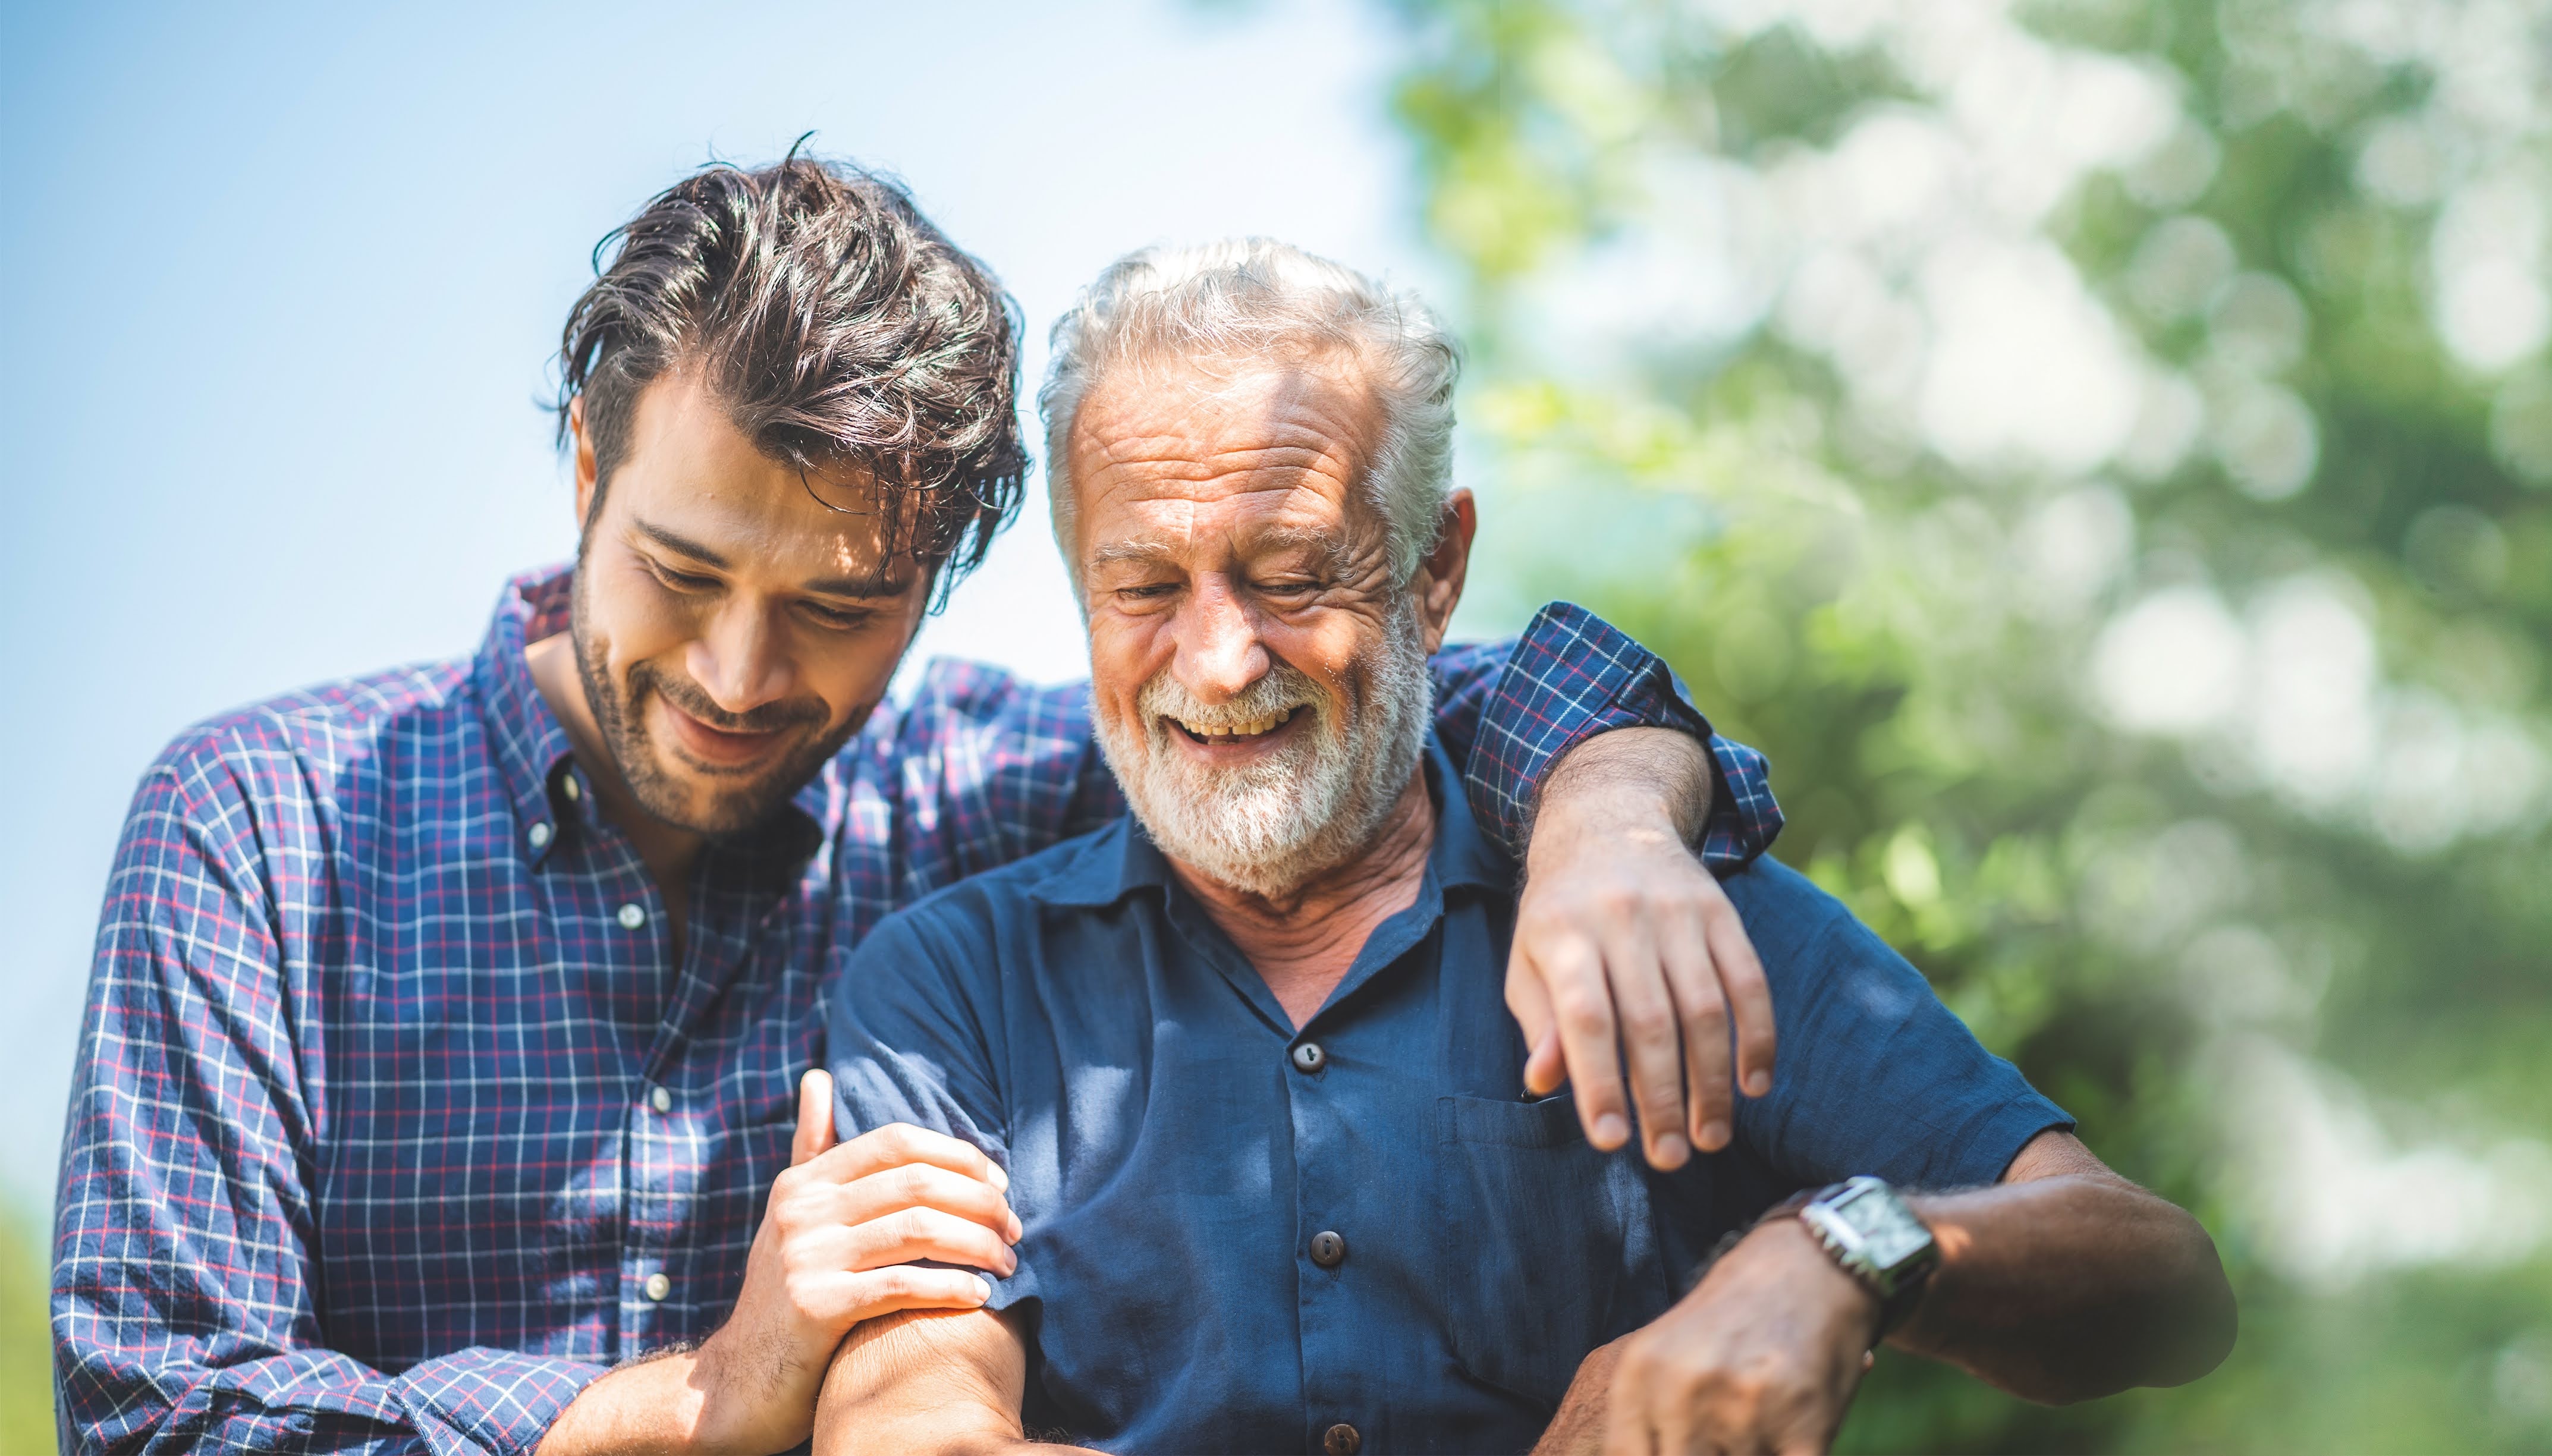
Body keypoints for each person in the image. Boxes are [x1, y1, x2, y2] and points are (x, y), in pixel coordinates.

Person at [51, 158, 1787, 1456]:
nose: (737, 676)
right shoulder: (256, 830)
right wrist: (685, 1401)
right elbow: (151, 1414)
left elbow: (1364, 694)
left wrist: (1611, 818)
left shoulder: (993, 788)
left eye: (834, 610)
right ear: (588, 468)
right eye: (678, 571)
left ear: (941, 580)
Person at [812, 239, 2240, 1456]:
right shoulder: (953, 981)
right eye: (1141, 584)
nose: (1219, 659)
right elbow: (905, 1424)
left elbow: (2160, 1278)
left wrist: (1839, 1253)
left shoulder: (1659, 911)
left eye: (1293, 573)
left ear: (1435, 569)